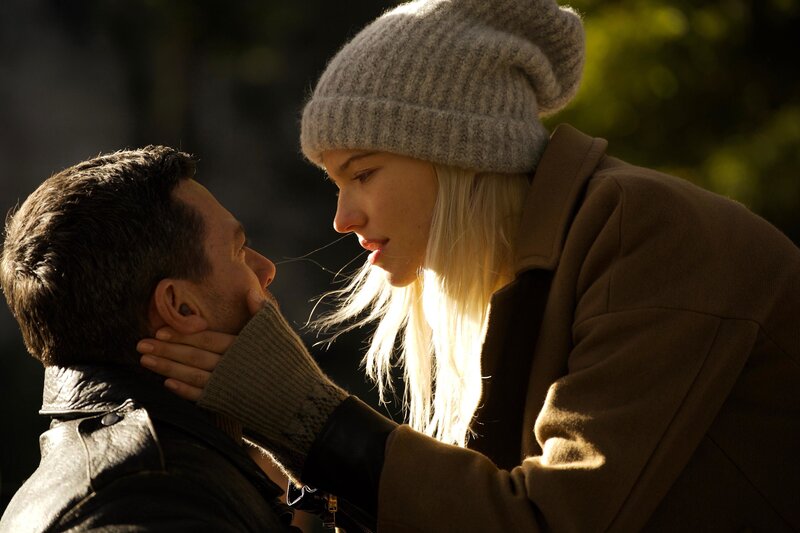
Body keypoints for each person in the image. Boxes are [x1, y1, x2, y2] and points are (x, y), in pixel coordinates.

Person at [137, 0, 800, 531]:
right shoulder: (540, 266)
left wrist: (306, 414)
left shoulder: (641, 231)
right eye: (335, 183)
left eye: (363, 173)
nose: (342, 218)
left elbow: (550, 519)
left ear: (460, 153)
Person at [0, 146, 297, 531]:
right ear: (180, 307)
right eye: (239, 251)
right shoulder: (154, 500)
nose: (267, 269)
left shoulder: (129, 481)